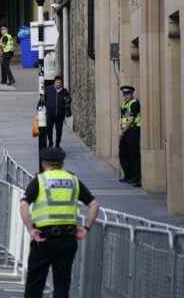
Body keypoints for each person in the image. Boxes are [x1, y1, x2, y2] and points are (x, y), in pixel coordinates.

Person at [20, 147, 100, 298]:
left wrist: (30, 229)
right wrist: (86, 228)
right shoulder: (73, 179)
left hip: (43, 239)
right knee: (62, 285)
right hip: (67, 239)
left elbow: (23, 205)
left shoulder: (40, 180)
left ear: (43, 163)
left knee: (35, 285)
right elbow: (94, 205)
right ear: (62, 163)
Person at [118, 85, 141, 186]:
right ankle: (128, 175)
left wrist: (122, 131)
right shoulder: (125, 104)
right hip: (126, 132)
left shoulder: (134, 103)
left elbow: (131, 119)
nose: (126, 96)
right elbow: (123, 118)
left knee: (133, 155)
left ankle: (136, 178)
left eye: (128, 94)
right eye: (124, 94)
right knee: (123, 154)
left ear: (132, 94)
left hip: (133, 130)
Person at [44, 76, 71, 148]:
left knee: (59, 131)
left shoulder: (64, 91)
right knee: (49, 130)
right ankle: (50, 143)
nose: (58, 84)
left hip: (60, 115)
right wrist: (40, 106)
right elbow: (43, 99)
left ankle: (57, 144)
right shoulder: (48, 89)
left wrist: (67, 100)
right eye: (57, 82)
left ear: (61, 84)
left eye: (60, 83)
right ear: (54, 82)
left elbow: (69, 100)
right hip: (50, 114)